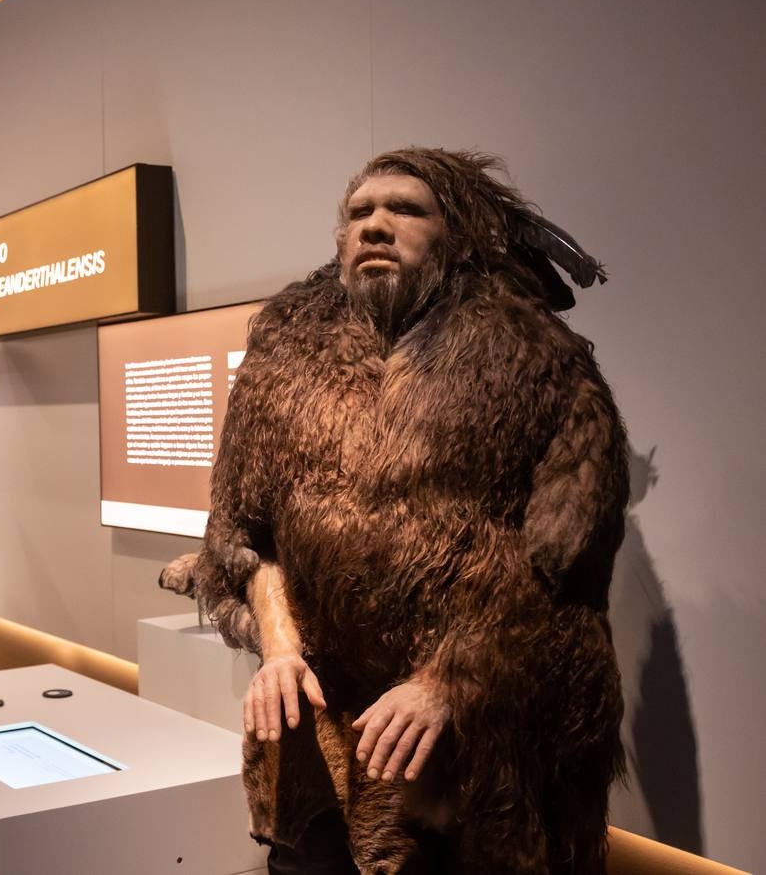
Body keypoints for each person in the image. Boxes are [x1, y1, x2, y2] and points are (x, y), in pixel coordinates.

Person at [165, 149, 625, 873]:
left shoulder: (537, 358)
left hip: (473, 742)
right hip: (319, 715)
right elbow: (243, 532)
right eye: (360, 212)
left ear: (454, 232)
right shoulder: (284, 348)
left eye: (406, 209)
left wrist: (452, 683)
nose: (376, 225)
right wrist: (279, 649)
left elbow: (565, 566)